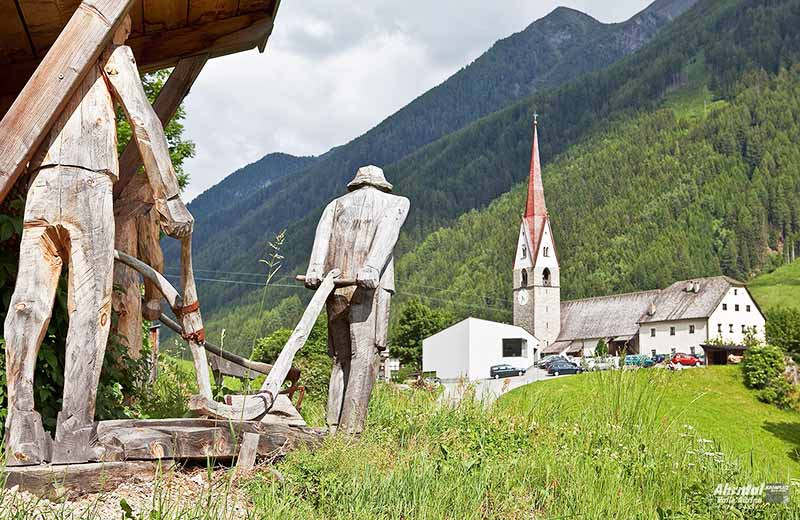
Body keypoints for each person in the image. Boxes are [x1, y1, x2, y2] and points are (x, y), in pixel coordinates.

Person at [3, 15, 194, 465]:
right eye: (125, 21)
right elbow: (144, 121)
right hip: (89, 182)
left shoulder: (55, 61)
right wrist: (169, 197)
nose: (127, 27)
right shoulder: (111, 53)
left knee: (28, 302)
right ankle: (74, 431)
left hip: (42, 186)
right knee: (89, 306)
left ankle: (21, 429)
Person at [304, 165, 409, 434]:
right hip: (368, 289)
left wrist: (315, 269)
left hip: (335, 285)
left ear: (357, 182)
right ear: (382, 183)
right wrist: (372, 267)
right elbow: (388, 234)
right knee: (364, 358)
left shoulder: (335, 206)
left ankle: (332, 425)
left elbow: (321, 238)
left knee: (341, 358)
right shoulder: (396, 203)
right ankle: (350, 432)